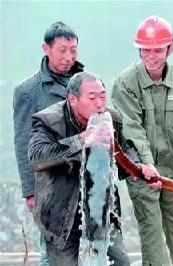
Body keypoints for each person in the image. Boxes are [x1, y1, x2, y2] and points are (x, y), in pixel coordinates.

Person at [28, 71, 160, 266]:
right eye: (92, 98)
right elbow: (37, 157)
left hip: (101, 208)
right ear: (73, 100)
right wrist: (82, 140)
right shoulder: (49, 121)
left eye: (102, 96)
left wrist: (139, 167)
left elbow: (123, 148)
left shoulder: (110, 118)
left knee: (120, 262)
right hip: (60, 212)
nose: (100, 104)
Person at [111, 15, 173, 266]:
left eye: (157, 50)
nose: (151, 56)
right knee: (152, 236)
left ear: (170, 49)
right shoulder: (126, 83)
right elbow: (132, 130)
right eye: (145, 50)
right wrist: (146, 165)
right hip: (140, 171)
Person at [13, 21, 84, 265]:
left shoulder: (85, 83)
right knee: (52, 247)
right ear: (46, 48)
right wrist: (30, 190)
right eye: (62, 50)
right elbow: (23, 141)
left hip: (82, 179)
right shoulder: (28, 91)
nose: (69, 56)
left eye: (73, 50)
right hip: (50, 182)